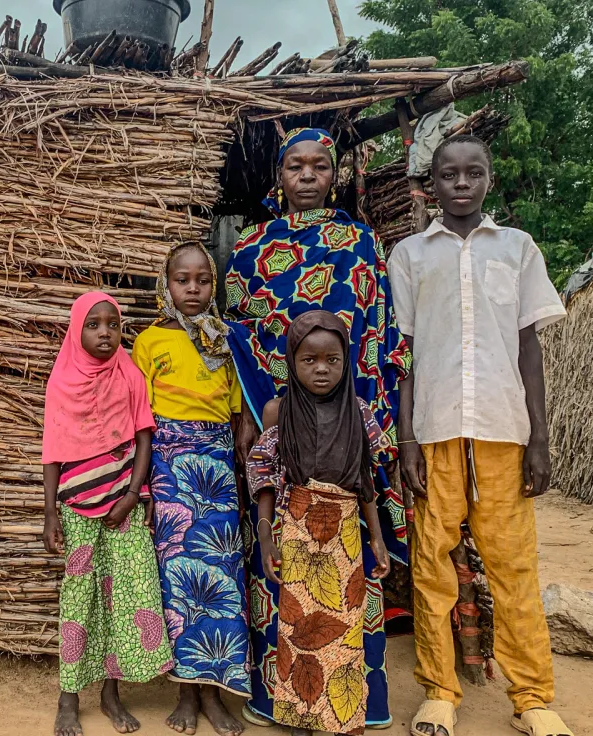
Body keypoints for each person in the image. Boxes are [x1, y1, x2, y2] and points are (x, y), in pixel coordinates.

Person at [223, 127, 410, 729]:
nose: (307, 175)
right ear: (279, 176)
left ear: (335, 175)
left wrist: (371, 414)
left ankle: (356, 701)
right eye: (295, 166)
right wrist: (254, 411)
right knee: (277, 557)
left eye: (320, 166)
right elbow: (238, 336)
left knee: (349, 567)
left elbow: (378, 330)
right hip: (278, 421)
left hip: (346, 421)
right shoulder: (250, 248)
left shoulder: (360, 243)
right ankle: (274, 697)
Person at [387, 135, 573, 736]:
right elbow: (403, 355)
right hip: (434, 430)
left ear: (490, 179)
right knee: (431, 568)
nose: (461, 183)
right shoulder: (409, 255)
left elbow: (528, 347)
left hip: (502, 428)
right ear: (430, 185)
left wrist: (539, 438)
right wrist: (407, 443)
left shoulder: (517, 248)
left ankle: (533, 699)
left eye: (474, 173)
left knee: (514, 566)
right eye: (449, 174)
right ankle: (440, 691)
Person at [246, 310, 392, 735]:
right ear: (292, 361)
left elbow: (365, 479)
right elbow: (265, 474)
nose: (322, 369)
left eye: (332, 359)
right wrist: (265, 535)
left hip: (344, 531)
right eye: (309, 360)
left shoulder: (359, 412)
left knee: (344, 627)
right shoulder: (278, 411)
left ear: (346, 361)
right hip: (296, 528)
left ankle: (338, 719)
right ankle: (299, 716)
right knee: (297, 627)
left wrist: (377, 538)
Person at [43, 291, 175, 736]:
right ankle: (68, 698)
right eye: (94, 324)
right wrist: (50, 513)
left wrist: (133, 494)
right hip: (77, 509)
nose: (105, 333)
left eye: (113, 325)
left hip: (125, 507)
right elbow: (52, 451)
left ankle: (111, 694)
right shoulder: (62, 382)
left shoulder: (129, 375)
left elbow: (143, 436)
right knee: (79, 598)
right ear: (76, 330)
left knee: (127, 597)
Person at [132, 244, 250, 736]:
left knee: (222, 576)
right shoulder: (149, 342)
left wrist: (241, 446)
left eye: (203, 280)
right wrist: (145, 486)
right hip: (170, 468)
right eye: (183, 280)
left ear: (214, 285)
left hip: (218, 467)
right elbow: (139, 416)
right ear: (167, 284)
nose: (194, 289)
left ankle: (215, 694)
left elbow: (238, 406)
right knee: (178, 582)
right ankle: (185, 691)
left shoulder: (224, 339)